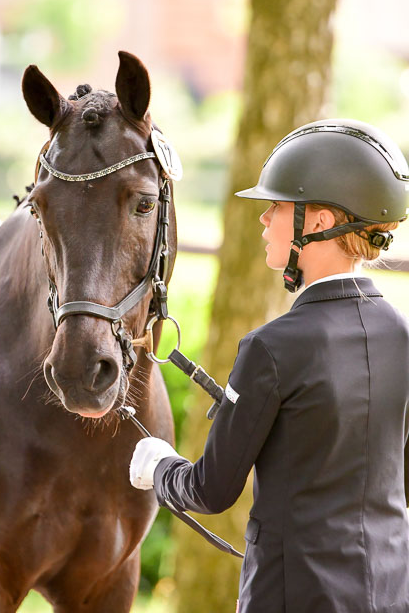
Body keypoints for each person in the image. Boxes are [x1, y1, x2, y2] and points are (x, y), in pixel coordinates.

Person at [129, 119, 409, 613]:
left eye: (276, 207)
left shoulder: (271, 348)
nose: (262, 221)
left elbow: (210, 490)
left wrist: (157, 464)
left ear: (319, 222)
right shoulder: (401, 336)